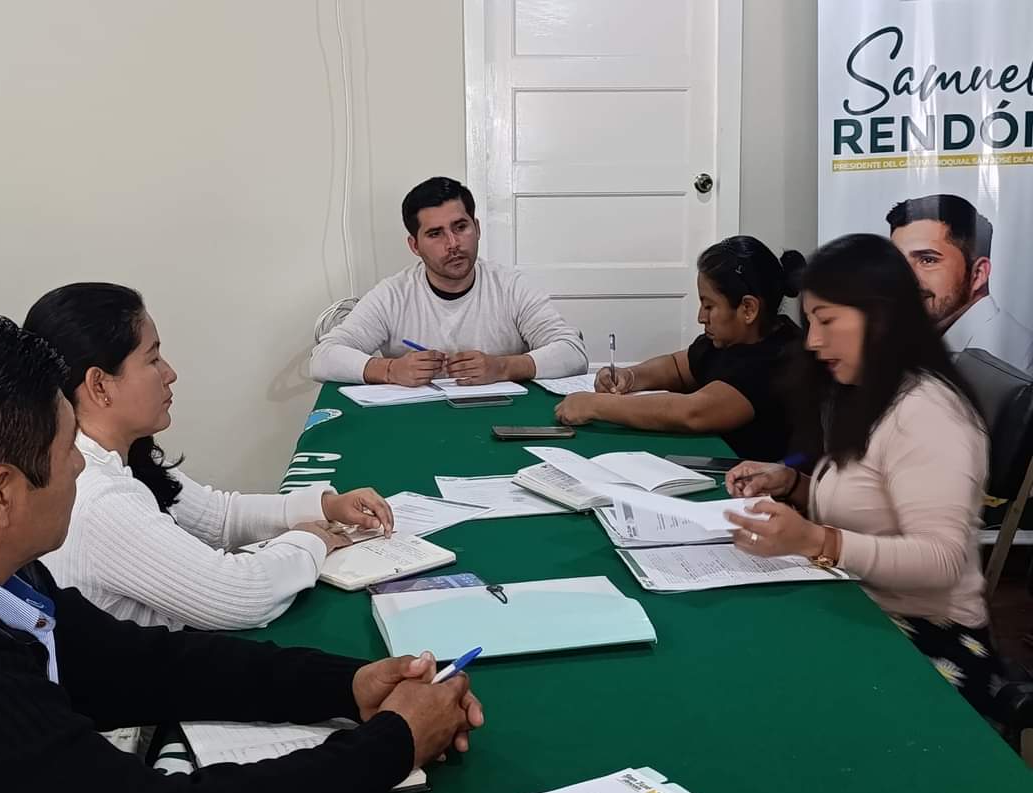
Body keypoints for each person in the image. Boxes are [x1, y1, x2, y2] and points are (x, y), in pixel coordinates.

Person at [0, 313, 484, 793]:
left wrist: (350, 684)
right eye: (68, 447)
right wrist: (395, 743)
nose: (78, 466)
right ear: (1, 496)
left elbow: (139, 664)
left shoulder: (9, 578)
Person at [724, 233, 1005, 721]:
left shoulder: (928, 413)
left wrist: (817, 541)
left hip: (930, 640)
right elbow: (872, 506)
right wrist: (792, 484)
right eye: (810, 322)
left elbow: (941, 560)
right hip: (865, 607)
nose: (813, 341)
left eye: (827, 321)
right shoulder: (867, 392)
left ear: (880, 316)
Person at [23, 283, 394, 632]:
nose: (170, 373)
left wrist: (324, 507)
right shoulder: (98, 497)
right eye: (152, 359)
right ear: (99, 385)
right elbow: (241, 596)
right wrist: (311, 541)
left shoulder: (117, 455)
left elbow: (219, 517)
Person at [308, 176, 588, 386]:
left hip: (500, 421)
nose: (453, 243)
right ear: (414, 246)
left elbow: (573, 352)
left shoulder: (511, 287)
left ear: (477, 228)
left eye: (460, 227)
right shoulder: (392, 295)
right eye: (435, 234)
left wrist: (503, 367)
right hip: (417, 423)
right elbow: (322, 358)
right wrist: (390, 370)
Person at [554, 236, 806, 462]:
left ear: (748, 309)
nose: (701, 317)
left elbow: (693, 413)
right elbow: (676, 367)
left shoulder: (779, 359)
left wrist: (598, 406)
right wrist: (630, 376)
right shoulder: (729, 339)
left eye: (709, 306)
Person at [887, 193, 1033, 372]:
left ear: (978, 274)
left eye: (927, 260)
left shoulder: (1007, 362)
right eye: (898, 261)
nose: (904, 277)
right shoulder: (929, 341)